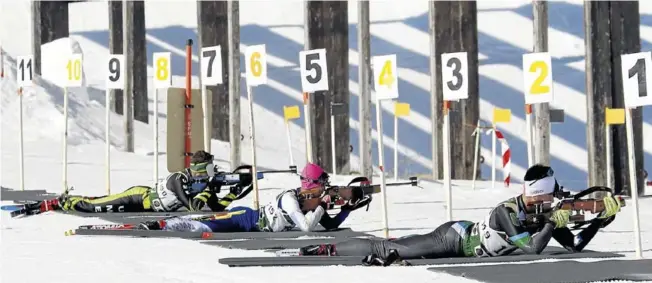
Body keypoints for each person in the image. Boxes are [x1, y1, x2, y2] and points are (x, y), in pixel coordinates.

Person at [298, 164, 624, 266]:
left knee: (396, 249)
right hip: (454, 238)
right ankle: (324, 250)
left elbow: (575, 246)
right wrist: (555, 222)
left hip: (464, 237)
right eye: (553, 192)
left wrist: (600, 222)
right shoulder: (506, 212)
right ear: (541, 194)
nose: (558, 198)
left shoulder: (544, 215)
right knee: (387, 248)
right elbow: (532, 249)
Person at [138, 163, 372, 232]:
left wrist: (347, 209)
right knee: (203, 225)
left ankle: (164, 224)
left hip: (253, 225)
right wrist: (322, 204)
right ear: (311, 185)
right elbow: (306, 228)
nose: (325, 188)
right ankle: (161, 225)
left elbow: (328, 225)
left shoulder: (310, 202)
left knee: (206, 224)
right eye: (322, 184)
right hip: (246, 219)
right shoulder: (292, 200)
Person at [41, 150, 248, 213]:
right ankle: (63, 202)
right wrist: (210, 187)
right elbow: (194, 208)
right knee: (96, 206)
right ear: (201, 170)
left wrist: (234, 192)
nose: (214, 172)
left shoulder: (201, 187)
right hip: (139, 197)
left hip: (148, 205)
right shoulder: (179, 179)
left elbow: (215, 207)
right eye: (211, 168)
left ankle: (70, 201)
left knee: (102, 201)